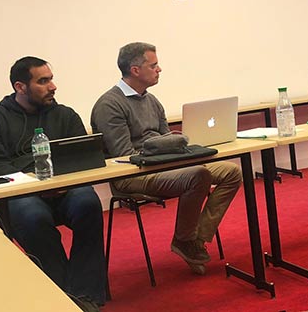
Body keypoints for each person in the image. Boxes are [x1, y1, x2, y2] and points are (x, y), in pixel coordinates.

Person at [91, 42, 241, 275]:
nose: (159, 69)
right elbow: (125, 155)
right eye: (154, 65)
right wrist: (169, 145)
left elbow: (167, 140)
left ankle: (195, 239)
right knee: (198, 174)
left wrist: (177, 143)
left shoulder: (151, 100)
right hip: (133, 175)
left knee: (232, 172)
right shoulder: (109, 105)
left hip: (166, 164)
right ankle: (185, 240)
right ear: (135, 70)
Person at [0, 57, 106, 306]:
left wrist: (60, 182)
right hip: (22, 193)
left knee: (87, 203)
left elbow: (83, 157)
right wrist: (35, 183)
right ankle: (62, 295)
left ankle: (87, 295)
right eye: (43, 81)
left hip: (65, 188)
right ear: (20, 87)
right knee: (33, 216)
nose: (53, 86)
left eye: (51, 79)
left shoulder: (65, 115)